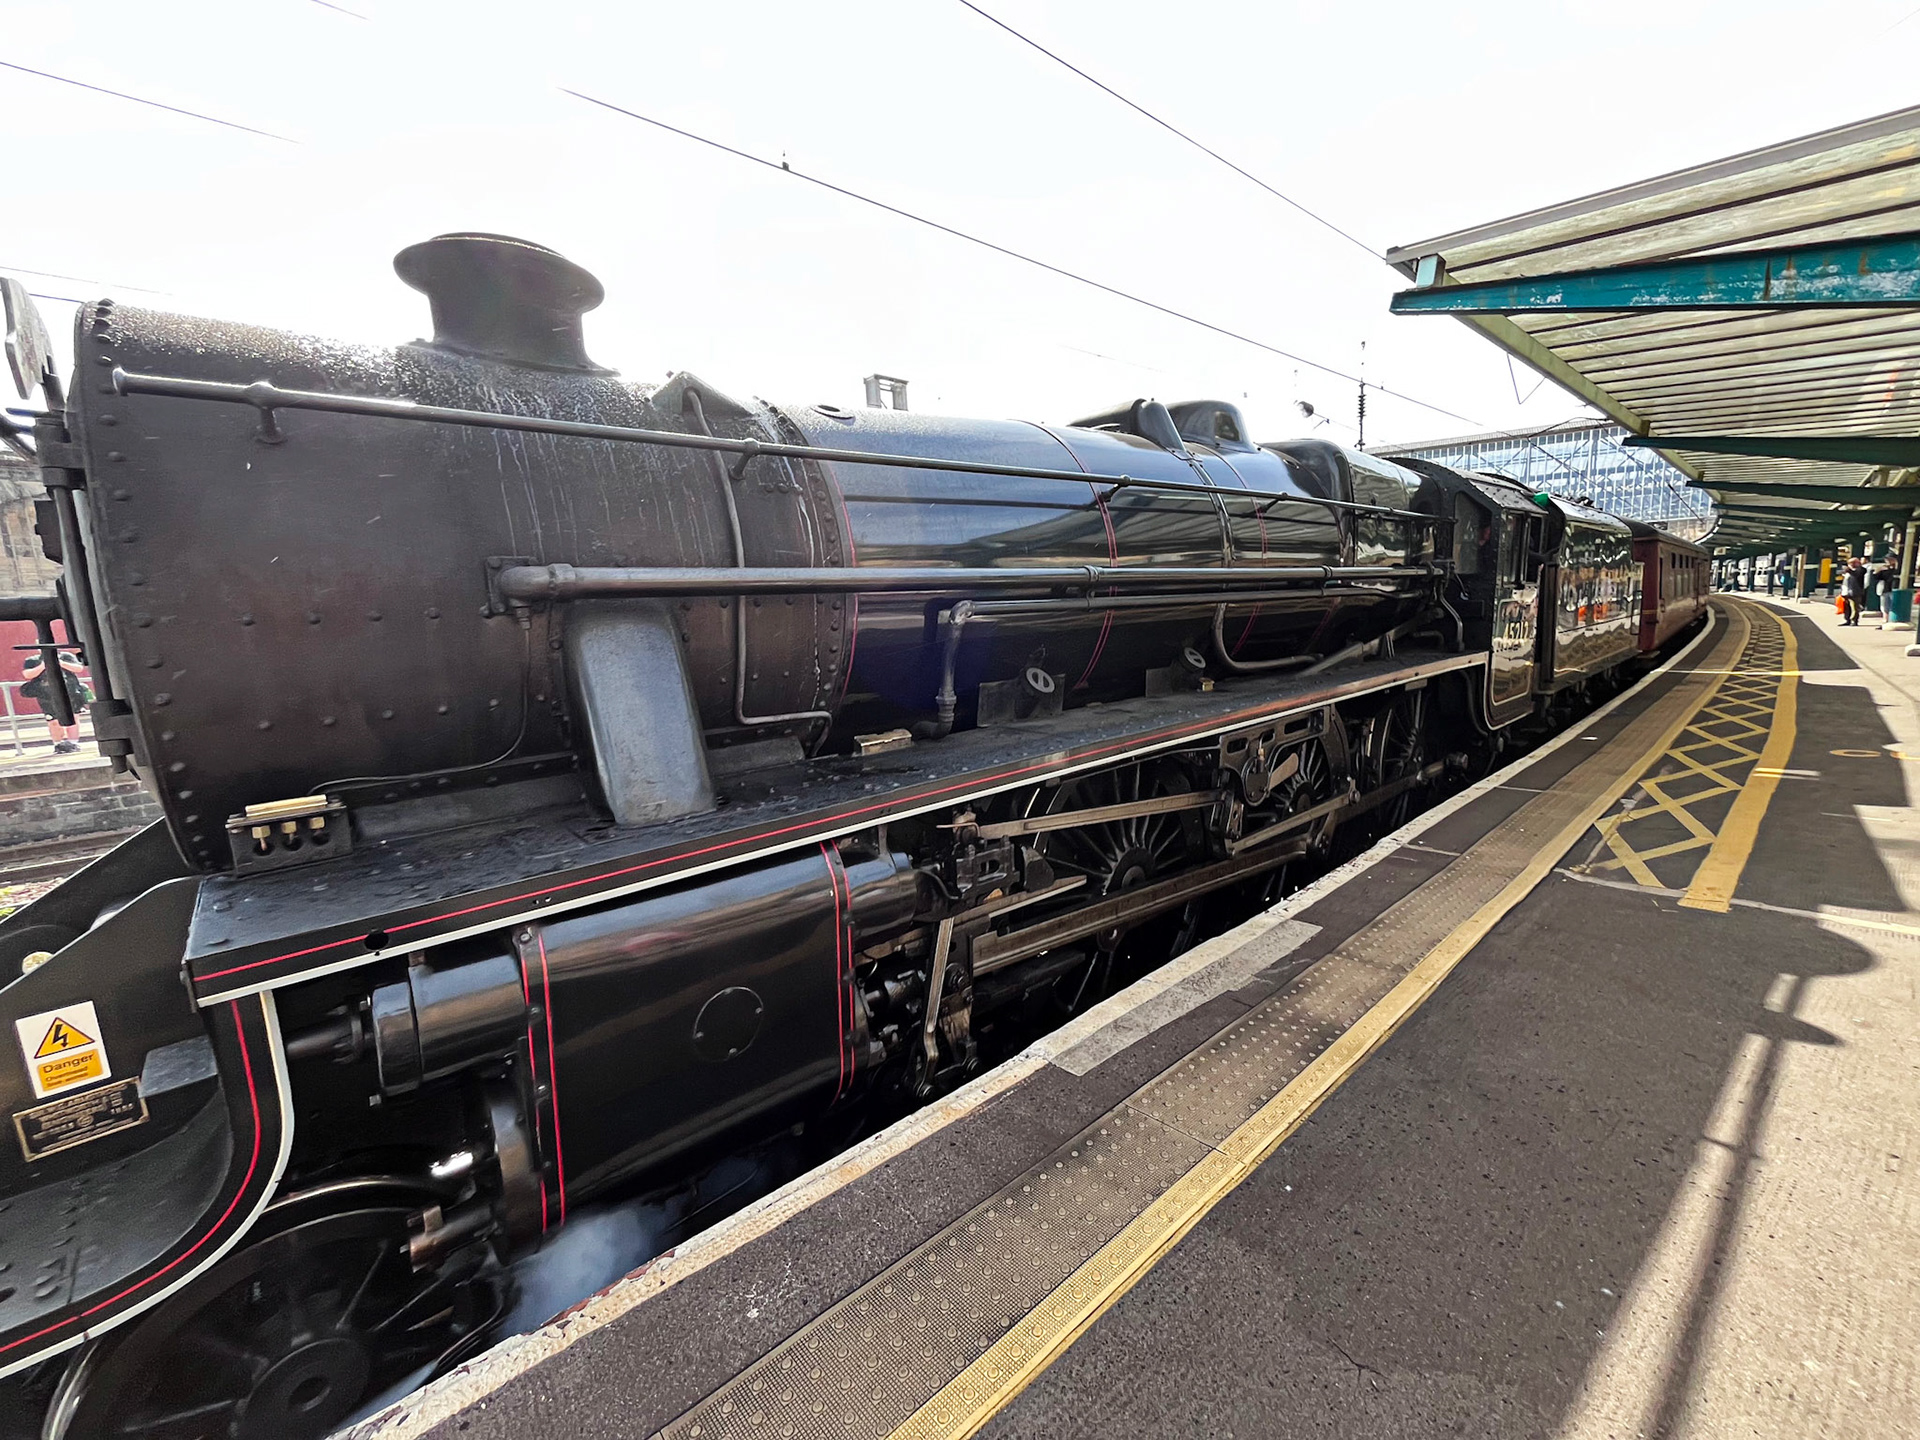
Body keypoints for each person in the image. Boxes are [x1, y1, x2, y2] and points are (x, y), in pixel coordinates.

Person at [19, 651, 91, 754]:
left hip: (70, 692)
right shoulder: (33, 660)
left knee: (73, 717)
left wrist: (60, 663)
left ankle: (73, 743)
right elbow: (27, 674)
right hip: (46, 695)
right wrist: (44, 665)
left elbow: (79, 668)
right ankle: (58, 744)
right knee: (53, 721)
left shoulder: (66, 656)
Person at [1840, 556, 1869, 626]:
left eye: (1852, 563)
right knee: (1847, 607)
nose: (1850, 564)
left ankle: (1854, 620)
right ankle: (1847, 620)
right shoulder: (1849, 571)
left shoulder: (1861, 570)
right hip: (1846, 591)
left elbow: (1856, 575)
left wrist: (1849, 570)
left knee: (1855, 607)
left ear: (1857, 563)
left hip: (1855, 591)